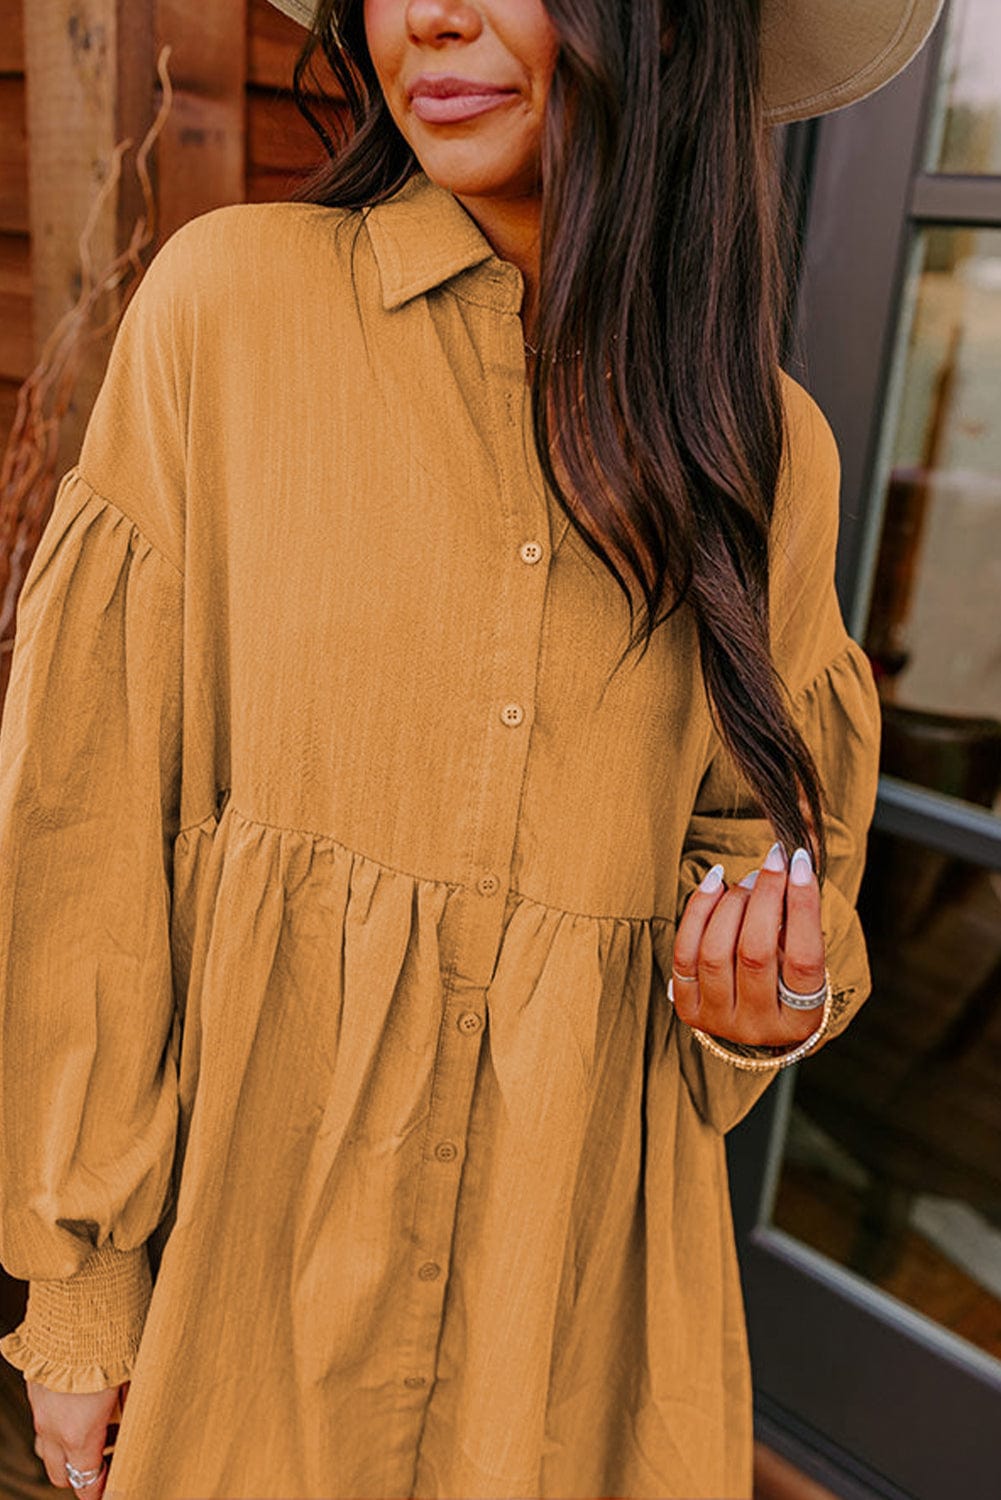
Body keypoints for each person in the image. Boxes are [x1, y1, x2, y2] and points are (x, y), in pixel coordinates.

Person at [0, 1, 943, 1497]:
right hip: (248, 1295)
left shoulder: (768, 450)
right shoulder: (228, 315)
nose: (431, 12)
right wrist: (83, 1290)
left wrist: (766, 994)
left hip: (574, 1319)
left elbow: (764, 856)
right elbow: (89, 823)